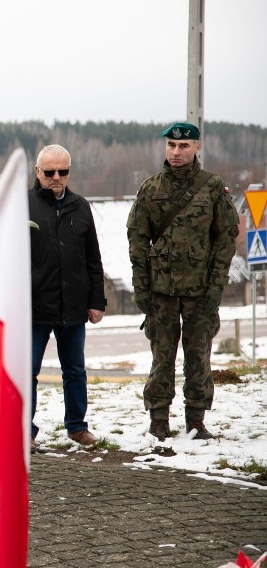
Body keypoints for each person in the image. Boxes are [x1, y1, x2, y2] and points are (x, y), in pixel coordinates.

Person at [127, 122, 239, 441]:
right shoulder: (151, 188)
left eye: (184, 146)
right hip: (161, 291)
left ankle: (196, 420)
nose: (176, 152)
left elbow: (226, 238)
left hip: (200, 290)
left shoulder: (212, 187)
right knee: (162, 357)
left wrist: (217, 286)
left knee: (198, 356)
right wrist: (141, 288)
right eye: (172, 146)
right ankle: (158, 418)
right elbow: (137, 239)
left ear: (197, 148)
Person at [28, 144, 106, 452]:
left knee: (74, 370)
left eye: (63, 171)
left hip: (73, 305)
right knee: (27, 372)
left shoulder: (80, 206)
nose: (56, 177)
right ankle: (24, 431)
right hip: (33, 307)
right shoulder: (24, 205)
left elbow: (93, 257)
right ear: (38, 172)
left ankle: (77, 426)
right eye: (49, 172)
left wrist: (97, 300)